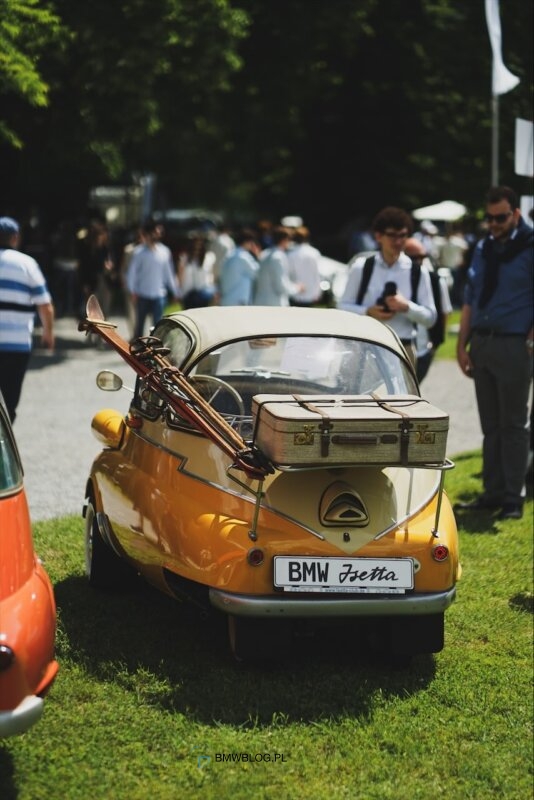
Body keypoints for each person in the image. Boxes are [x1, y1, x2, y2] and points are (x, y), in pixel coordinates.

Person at [455, 186, 533, 520]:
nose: (494, 224)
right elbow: (471, 300)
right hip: (482, 343)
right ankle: (492, 493)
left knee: (514, 424)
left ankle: (513, 498)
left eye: (500, 217)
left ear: (516, 214)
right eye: (489, 218)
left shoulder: (531, 246)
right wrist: (461, 345)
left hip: (515, 343)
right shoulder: (483, 247)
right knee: (491, 426)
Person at [338, 207, 436, 366]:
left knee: (402, 393)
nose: (398, 242)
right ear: (378, 236)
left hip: (403, 348)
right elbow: (342, 307)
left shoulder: (418, 272)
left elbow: (431, 318)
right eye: (392, 235)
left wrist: (406, 307)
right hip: (366, 346)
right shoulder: (362, 267)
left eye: (402, 235)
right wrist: (368, 311)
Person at [0, 216, 55, 422]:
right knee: (9, 403)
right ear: (15, 237)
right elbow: (45, 305)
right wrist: (48, 333)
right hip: (17, 346)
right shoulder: (27, 264)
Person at [404, 237, 453, 383]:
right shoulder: (396, 278)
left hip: (423, 349)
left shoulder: (435, 280)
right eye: (414, 257)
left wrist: (436, 344)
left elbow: (445, 312)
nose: (419, 261)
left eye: (422, 257)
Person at [126, 219, 180, 339]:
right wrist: (132, 291)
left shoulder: (165, 251)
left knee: (157, 327)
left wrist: (175, 291)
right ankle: (137, 353)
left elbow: (169, 273)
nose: (158, 234)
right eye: (155, 231)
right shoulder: (139, 252)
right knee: (139, 326)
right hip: (142, 294)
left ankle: (155, 352)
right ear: (149, 233)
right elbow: (132, 274)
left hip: (159, 295)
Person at [253, 226, 301, 306]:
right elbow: (280, 286)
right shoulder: (278, 257)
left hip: (260, 301)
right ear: (284, 240)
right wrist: (297, 288)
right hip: (274, 304)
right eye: (289, 240)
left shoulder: (264, 253)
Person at [219, 228, 260, 306]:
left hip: (226, 299)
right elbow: (258, 273)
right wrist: (257, 256)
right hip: (238, 301)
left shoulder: (229, 254)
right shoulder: (244, 256)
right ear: (248, 242)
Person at [286, 226, 322, 307]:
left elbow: (288, 273)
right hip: (311, 294)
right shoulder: (314, 253)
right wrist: (317, 292)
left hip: (295, 294)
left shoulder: (291, 254)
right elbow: (317, 274)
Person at [177, 235, 216, 308]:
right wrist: (178, 292)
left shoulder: (209, 257)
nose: (198, 247)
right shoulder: (184, 258)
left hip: (203, 294)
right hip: (187, 294)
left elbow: (211, 276)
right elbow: (180, 277)